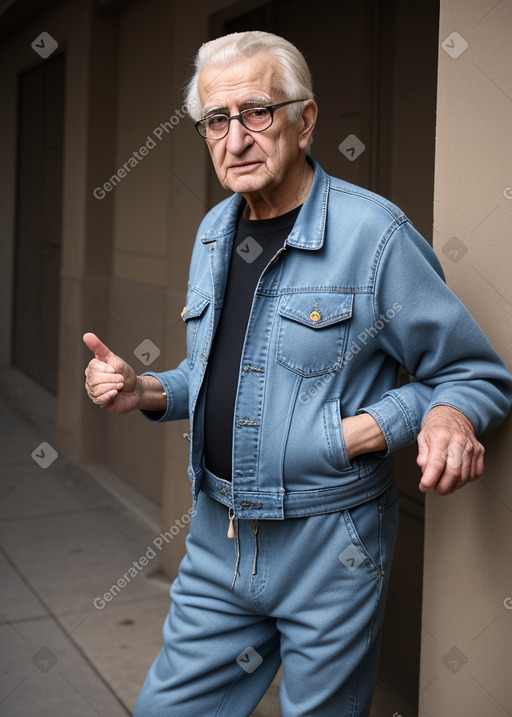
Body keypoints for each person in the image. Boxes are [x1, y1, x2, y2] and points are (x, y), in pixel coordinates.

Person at [83, 31, 512, 717]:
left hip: (331, 546)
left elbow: (472, 373)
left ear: (304, 120)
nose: (236, 138)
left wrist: (393, 425)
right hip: (218, 537)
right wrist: (146, 389)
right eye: (216, 120)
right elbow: (216, 375)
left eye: (257, 111)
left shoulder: (373, 235)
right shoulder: (215, 233)